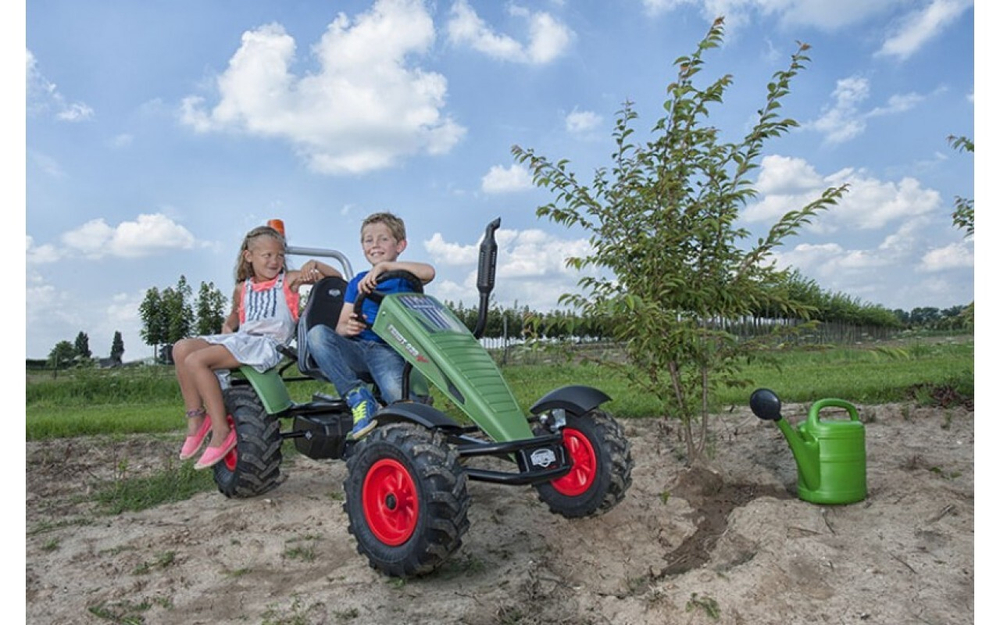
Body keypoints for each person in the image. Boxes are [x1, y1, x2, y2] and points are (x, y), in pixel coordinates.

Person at [173, 225, 342, 469]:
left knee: (195, 361)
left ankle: (221, 430)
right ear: (249, 256)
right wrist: (227, 326)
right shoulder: (243, 288)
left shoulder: (290, 281)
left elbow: (335, 279)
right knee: (181, 349)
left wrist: (315, 265)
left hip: (267, 344)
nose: (275, 261)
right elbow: (235, 315)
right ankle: (197, 419)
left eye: (280, 255)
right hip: (243, 339)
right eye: (268, 255)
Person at [307, 212, 435, 440]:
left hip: (386, 349)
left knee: (397, 394)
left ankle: (430, 431)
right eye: (368, 240)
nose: (375, 244)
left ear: (400, 245)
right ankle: (358, 396)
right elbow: (340, 327)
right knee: (316, 335)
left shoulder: (404, 277)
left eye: (383, 239)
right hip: (357, 349)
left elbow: (429, 272)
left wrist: (384, 267)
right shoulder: (357, 282)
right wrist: (348, 329)